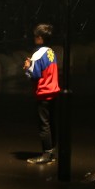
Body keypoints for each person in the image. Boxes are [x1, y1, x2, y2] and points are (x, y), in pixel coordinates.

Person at [23, 23, 61, 164]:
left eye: (35, 36)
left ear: (40, 38)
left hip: (43, 92)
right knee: (51, 122)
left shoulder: (37, 54)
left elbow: (34, 75)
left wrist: (27, 67)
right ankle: (52, 151)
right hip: (53, 91)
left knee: (44, 124)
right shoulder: (51, 52)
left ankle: (46, 154)